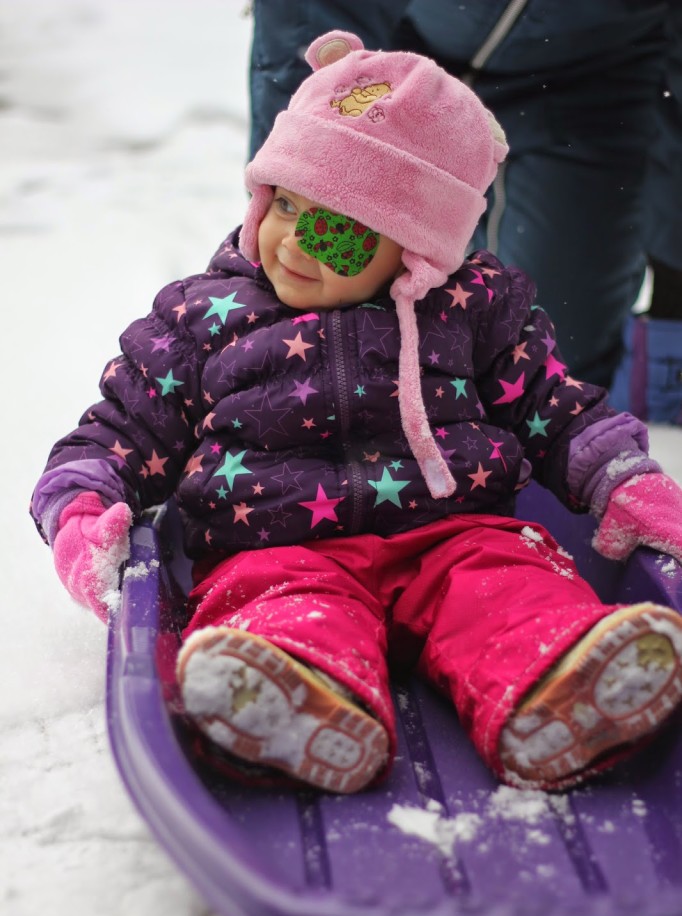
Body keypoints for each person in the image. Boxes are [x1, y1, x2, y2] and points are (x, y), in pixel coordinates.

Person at [31, 30, 682, 797]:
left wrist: (623, 477)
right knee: (277, 605)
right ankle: (290, 698)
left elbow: (555, 407)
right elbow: (126, 423)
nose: (294, 243)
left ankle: (560, 688)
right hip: (276, 543)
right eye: (285, 203)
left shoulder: (473, 310)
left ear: (417, 249)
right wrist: (81, 500)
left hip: (453, 534)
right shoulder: (206, 317)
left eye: (337, 229)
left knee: (511, 586)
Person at [249, 0, 682, 411]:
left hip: (590, 82)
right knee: (345, 311)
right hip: (392, 80)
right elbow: (310, 20)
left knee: (559, 354)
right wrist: (292, 173)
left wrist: (675, 281)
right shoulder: (212, 317)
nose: (294, 242)